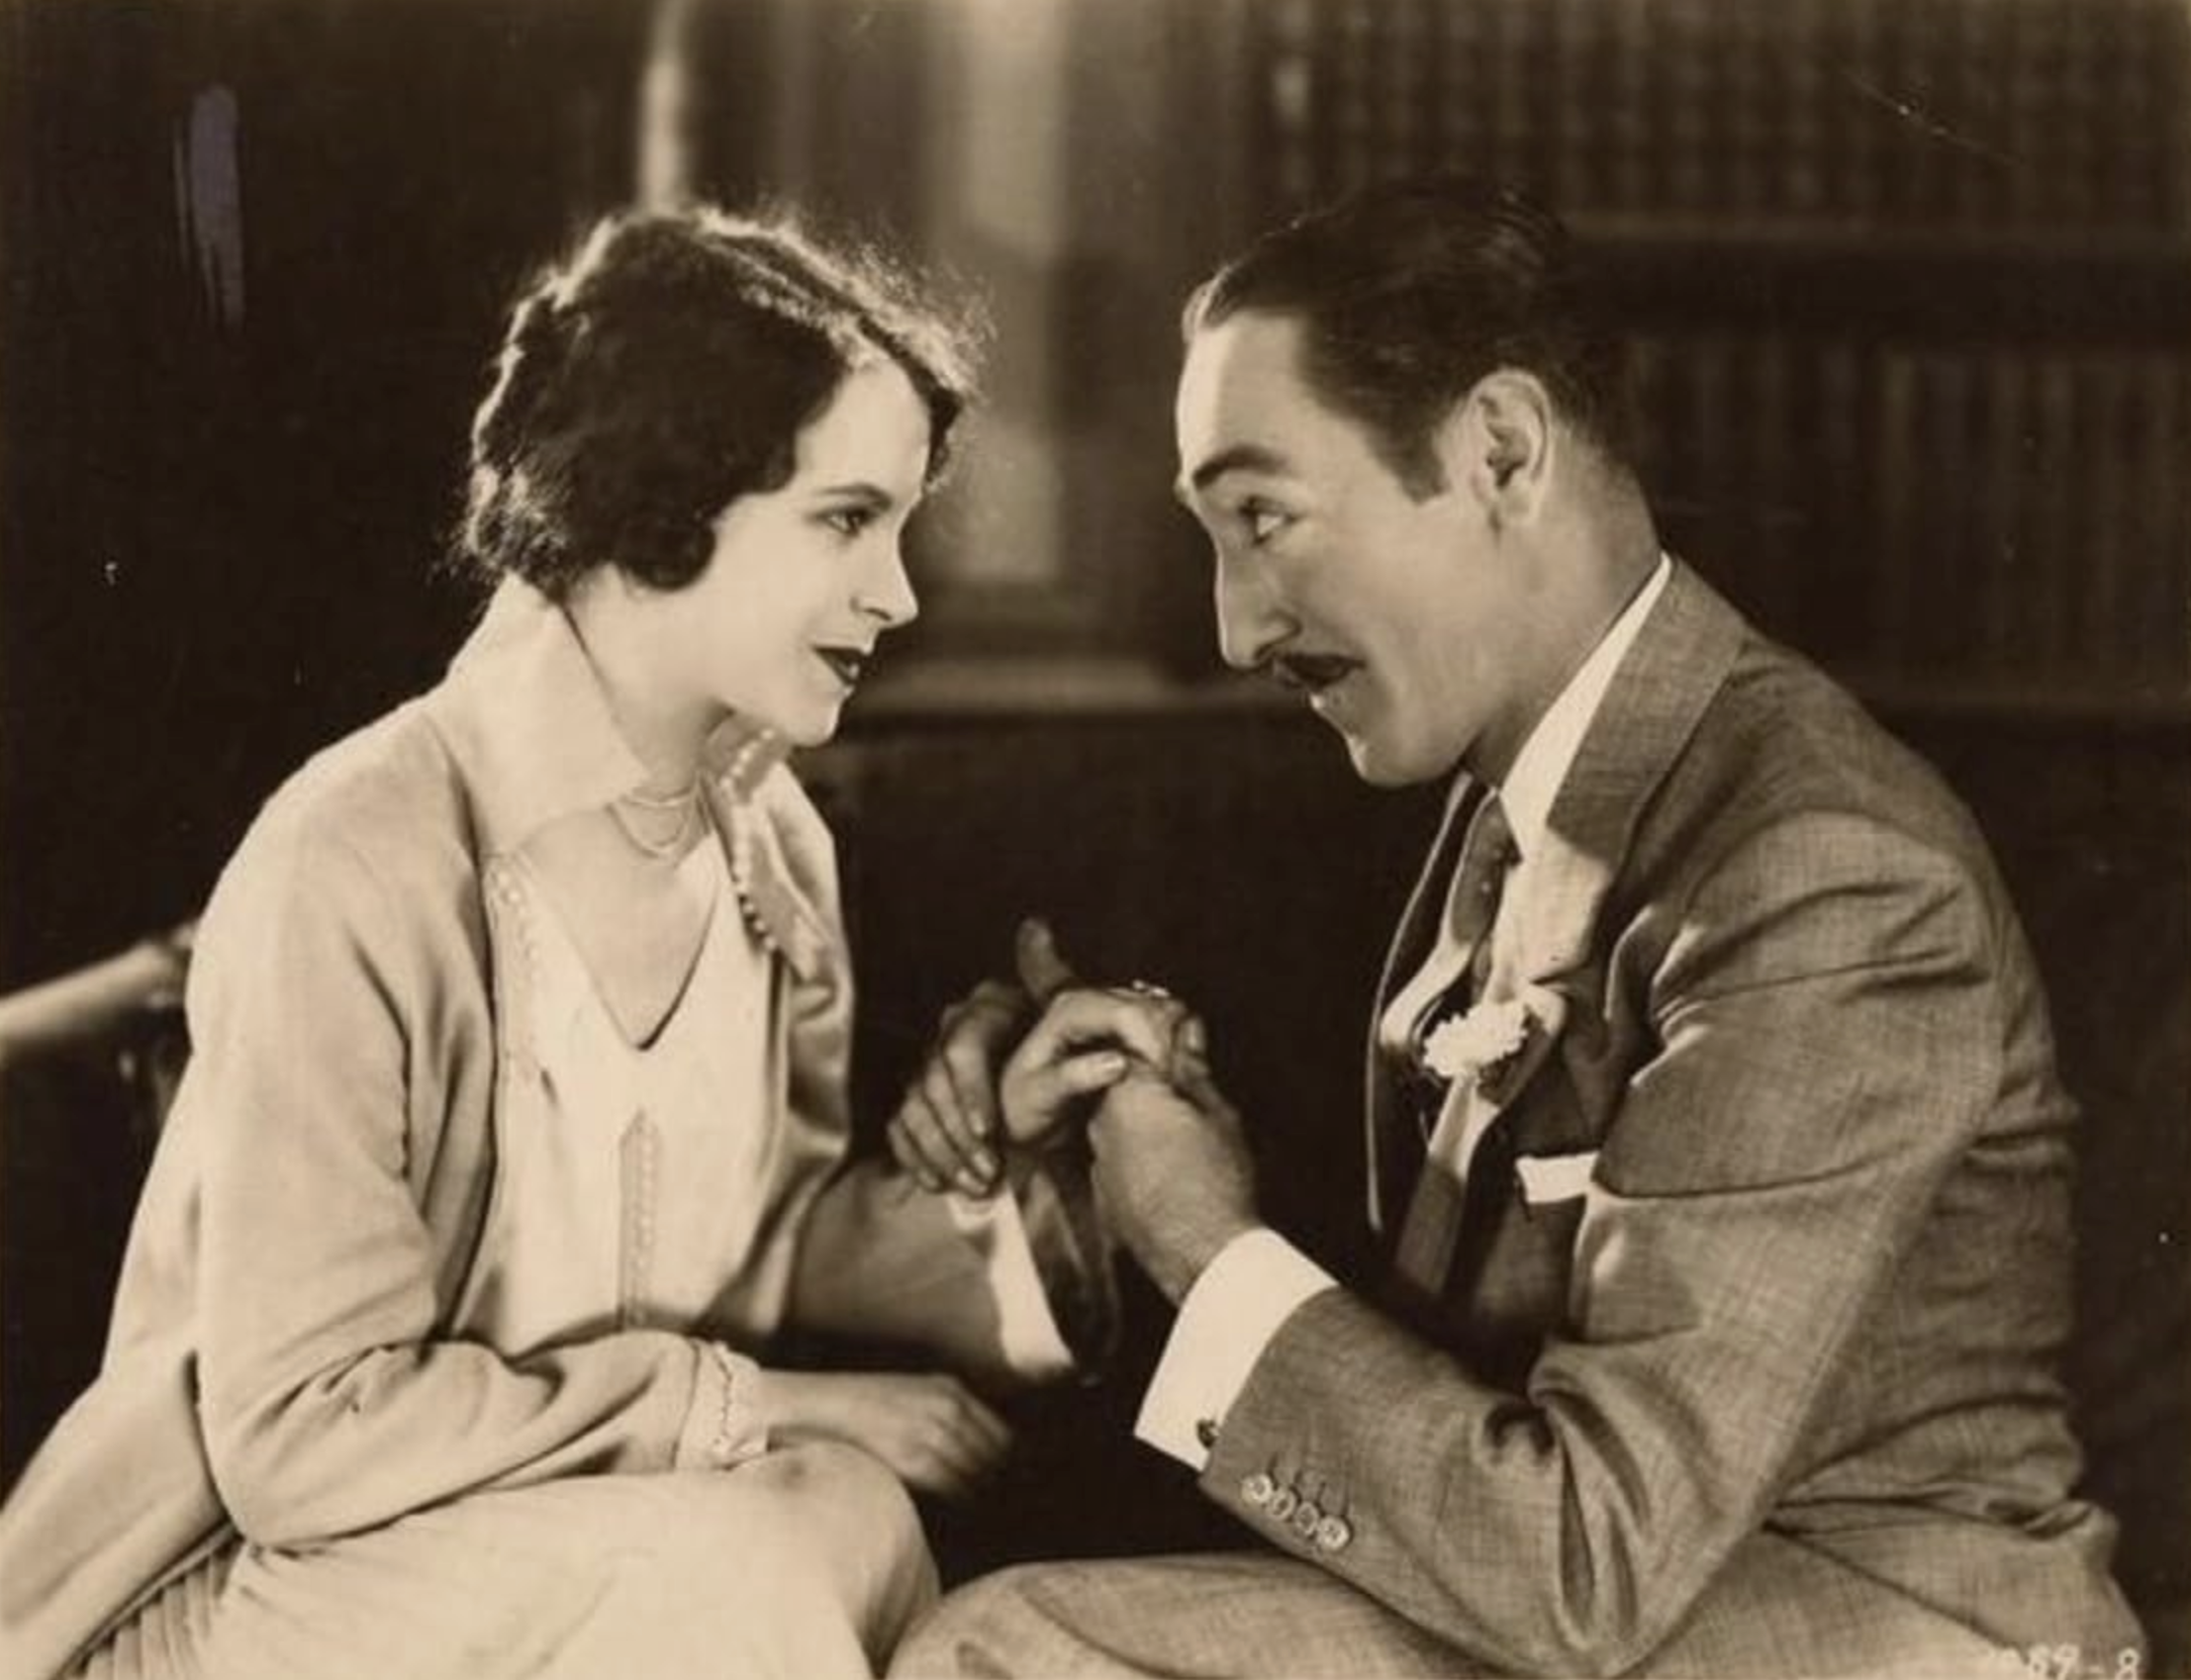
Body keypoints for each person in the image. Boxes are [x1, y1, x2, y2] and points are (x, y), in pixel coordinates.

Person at [887, 177, 2145, 1677]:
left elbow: (1583, 1566)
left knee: (1016, 1651)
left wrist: (1206, 1241)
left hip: (1880, 1633)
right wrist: (1119, 1152)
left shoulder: (1826, 871)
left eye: (1264, 518)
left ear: (1499, 449)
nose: (1237, 625)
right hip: (1656, 1613)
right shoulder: (1526, 799)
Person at [0, 205, 1168, 1680]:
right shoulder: (356, 851)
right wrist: (748, 1406)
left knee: (853, 1521)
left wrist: (1004, 1150)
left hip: (552, 1554)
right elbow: (299, 1439)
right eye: (845, 519)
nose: (899, 592)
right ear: (665, 497)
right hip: (251, 1587)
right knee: (749, 1561)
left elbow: (758, 1254)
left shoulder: (773, 848)